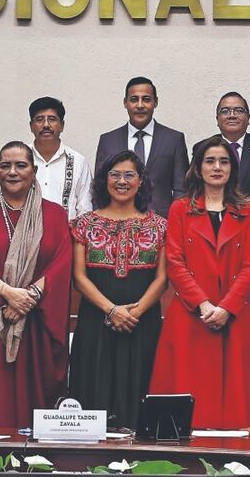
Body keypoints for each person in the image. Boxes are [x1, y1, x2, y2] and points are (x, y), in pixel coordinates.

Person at [150, 136, 250, 429]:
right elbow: (175, 262)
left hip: (236, 315)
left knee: (243, 409)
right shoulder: (180, 209)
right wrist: (204, 304)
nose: (217, 167)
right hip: (191, 315)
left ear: (232, 168)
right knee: (189, 401)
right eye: (210, 161)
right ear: (198, 168)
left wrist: (227, 307)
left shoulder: (248, 211)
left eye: (223, 161)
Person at [0, 141, 72, 428]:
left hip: (37, 324)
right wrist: (7, 294)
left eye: (21, 165)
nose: (12, 172)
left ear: (34, 171)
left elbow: (61, 264)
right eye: (5, 165)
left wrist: (29, 297)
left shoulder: (55, 215)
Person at [68, 151, 167, 429]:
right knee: (93, 386)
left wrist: (134, 312)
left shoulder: (160, 226)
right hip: (96, 319)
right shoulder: (84, 224)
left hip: (142, 321)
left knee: (140, 386)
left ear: (141, 181)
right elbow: (79, 277)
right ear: (104, 180)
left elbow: (162, 279)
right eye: (114, 174)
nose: (121, 181)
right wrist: (111, 310)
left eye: (129, 175)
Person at [195, 91, 250, 341]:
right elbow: (196, 190)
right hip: (212, 242)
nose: (232, 115)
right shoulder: (202, 149)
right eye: (225, 110)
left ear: (248, 117)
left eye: (238, 110)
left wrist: (240, 214)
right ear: (217, 119)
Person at [95, 77, 189, 217]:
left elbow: (181, 190)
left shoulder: (174, 140)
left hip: (163, 222)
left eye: (146, 99)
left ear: (155, 102)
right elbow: (100, 187)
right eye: (134, 99)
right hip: (117, 222)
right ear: (125, 103)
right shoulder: (108, 140)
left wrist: (176, 221)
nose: (140, 105)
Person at [29, 96, 93, 219]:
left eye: (52, 119)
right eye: (39, 119)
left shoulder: (78, 161)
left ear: (62, 125)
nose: (46, 125)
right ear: (31, 126)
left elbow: (85, 209)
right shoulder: (19, 160)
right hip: (24, 230)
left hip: (66, 230)